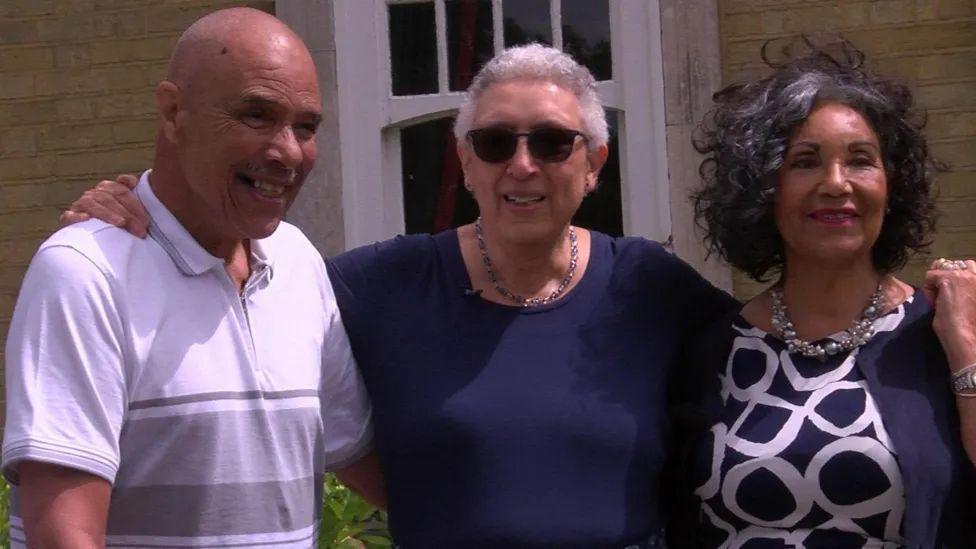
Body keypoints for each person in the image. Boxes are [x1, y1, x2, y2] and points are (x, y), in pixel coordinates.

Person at [2, 8, 382, 549]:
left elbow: (361, 460)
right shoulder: (86, 272)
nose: (289, 151)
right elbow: (63, 536)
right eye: (257, 115)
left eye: (306, 126)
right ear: (174, 111)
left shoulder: (298, 261)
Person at [671, 46, 976, 547]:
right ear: (765, 188)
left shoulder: (940, 334)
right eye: (805, 162)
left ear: (890, 185)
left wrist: (964, 348)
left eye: (860, 160)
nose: (836, 184)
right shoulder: (713, 351)